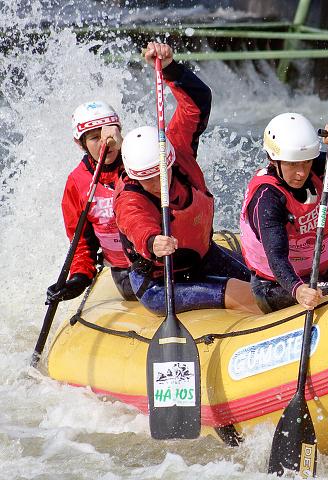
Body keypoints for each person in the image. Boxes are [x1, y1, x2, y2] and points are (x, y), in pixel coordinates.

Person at [114, 42, 259, 315]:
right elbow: (135, 223)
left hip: (203, 258)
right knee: (245, 293)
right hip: (160, 283)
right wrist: (153, 241)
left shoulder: (177, 149)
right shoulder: (130, 196)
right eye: (149, 180)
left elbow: (198, 103)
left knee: (264, 280)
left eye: (162, 173)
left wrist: (170, 70)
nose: (159, 183)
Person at [240, 112, 328, 313]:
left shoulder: (311, 166)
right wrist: (298, 290)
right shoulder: (266, 199)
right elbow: (276, 257)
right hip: (276, 285)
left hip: (320, 272)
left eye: (306, 162)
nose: (301, 172)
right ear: (274, 159)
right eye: (293, 164)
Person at [47, 101, 136, 305]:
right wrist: (77, 280)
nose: (105, 144)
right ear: (81, 144)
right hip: (126, 273)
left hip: (164, 259)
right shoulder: (77, 183)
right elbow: (81, 245)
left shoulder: (138, 163)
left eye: (108, 135)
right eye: (95, 138)